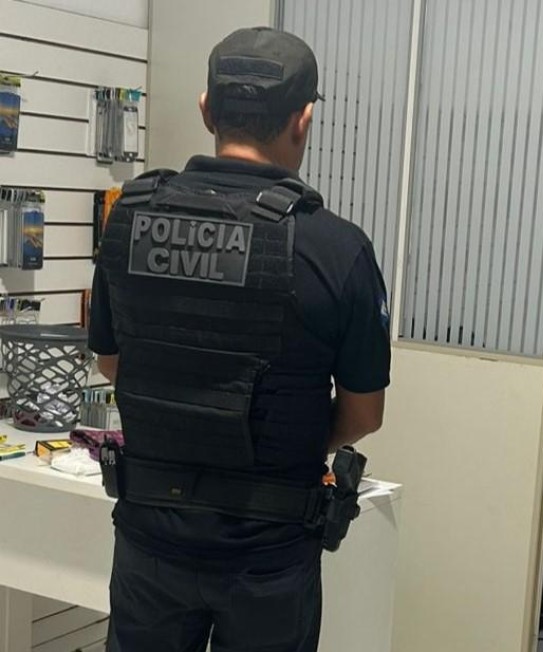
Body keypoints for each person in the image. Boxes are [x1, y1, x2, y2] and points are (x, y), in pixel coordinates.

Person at [89, 27, 391, 652]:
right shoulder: (338, 249)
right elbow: (364, 415)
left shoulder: (131, 216)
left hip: (150, 540)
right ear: (303, 120)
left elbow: (113, 362)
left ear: (207, 109)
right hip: (269, 556)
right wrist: (272, 438)